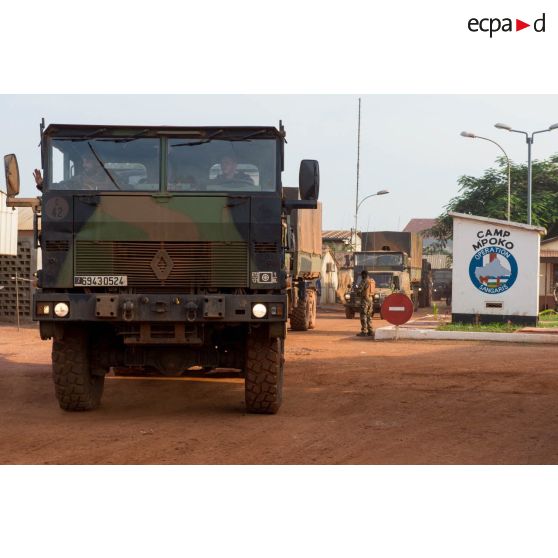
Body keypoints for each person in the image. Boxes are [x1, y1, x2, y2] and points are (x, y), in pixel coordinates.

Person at [356, 270, 376, 338]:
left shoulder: (364, 281)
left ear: (364, 275)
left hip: (365, 300)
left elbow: (359, 290)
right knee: (369, 315)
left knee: (363, 315)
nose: (361, 276)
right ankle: (370, 331)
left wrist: (357, 291)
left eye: (362, 275)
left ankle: (364, 331)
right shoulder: (372, 281)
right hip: (370, 300)